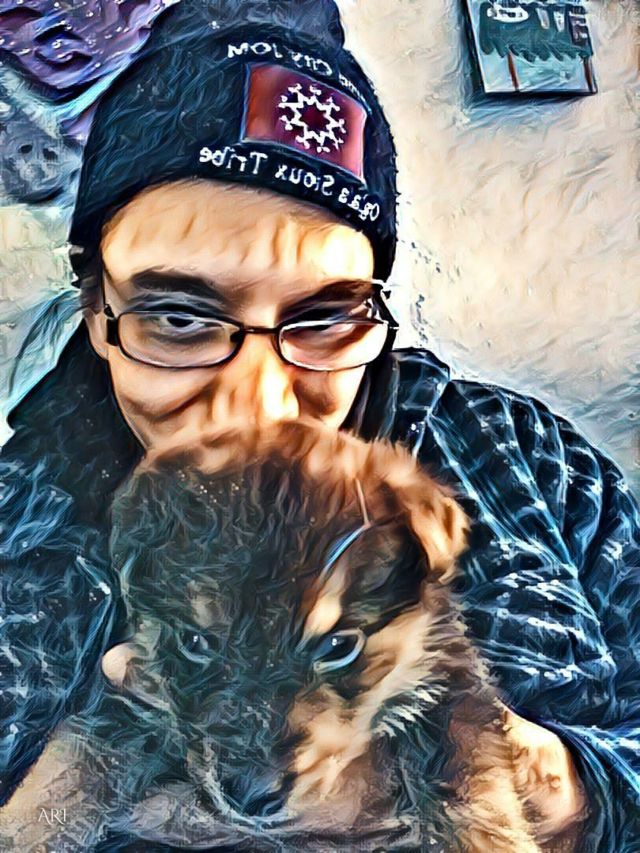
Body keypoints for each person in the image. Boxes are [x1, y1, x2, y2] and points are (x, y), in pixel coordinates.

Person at [0, 1, 638, 850]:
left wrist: (565, 792)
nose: (257, 402)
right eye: (179, 318)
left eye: (322, 318)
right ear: (94, 307)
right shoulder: (13, 518)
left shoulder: (531, 462)